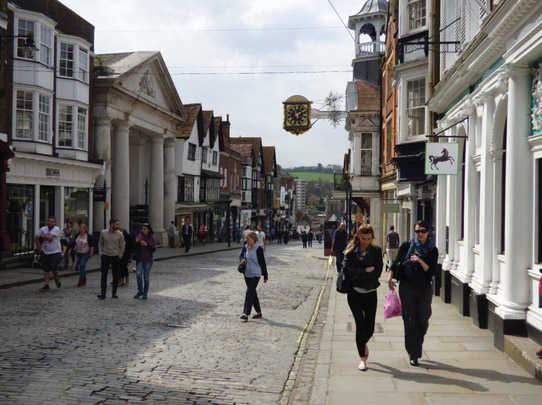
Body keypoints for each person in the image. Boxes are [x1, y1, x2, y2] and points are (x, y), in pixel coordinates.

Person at [387, 220, 438, 367]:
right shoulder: (406, 246)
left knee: (422, 320)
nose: (420, 234)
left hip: (424, 288)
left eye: (423, 231)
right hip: (407, 287)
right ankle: (413, 353)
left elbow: (431, 271)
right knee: (409, 320)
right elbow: (396, 263)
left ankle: (417, 345)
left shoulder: (432, 250)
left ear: (428, 232)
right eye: (417, 231)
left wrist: (420, 260)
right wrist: (390, 278)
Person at [343, 225, 383, 371]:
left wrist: (360, 272)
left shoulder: (377, 251)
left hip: (371, 293)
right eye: (363, 238)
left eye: (368, 238)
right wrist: (365, 270)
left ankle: (362, 342)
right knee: (360, 326)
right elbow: (348, 269)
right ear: (358, 237)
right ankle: (362, 359)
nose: (365, 241)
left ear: (372, 238)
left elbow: (377, 271)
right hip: (354, 294)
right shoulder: (351, 251)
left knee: (370, 328)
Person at [239, 232, 268, 322]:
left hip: (256, 273)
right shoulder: (245, 247)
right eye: (246, 238)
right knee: (252, 293)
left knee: (249, 292)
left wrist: (265, 275)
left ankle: (246, 313)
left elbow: (262, 263)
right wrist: (242, 259)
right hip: (247, 273)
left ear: (253, 239)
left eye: (248, 238)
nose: (246, 240)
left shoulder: (258, 249)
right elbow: (241, 256)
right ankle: (259, 312)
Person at [97, 218, 125, 300]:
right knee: (103, 275)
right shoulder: (103, 232)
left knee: (115, 275)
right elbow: (100, 243)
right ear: (111, 224)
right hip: (105, 256)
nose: (118, 226)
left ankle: (114, 293)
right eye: (117, 224)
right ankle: (103, 294)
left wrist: (120, 255)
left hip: (115, 256)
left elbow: (122, 245)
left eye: (118, 224)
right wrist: (100, 253)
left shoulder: (120, 234)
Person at [35, 217, 63, 291]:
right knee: (46, 269)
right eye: (49, 221)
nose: (50, 223)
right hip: (45, 251)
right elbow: (36, 237)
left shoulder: (56, 229)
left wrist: (43, 236)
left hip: (55, 251)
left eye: (52, 222)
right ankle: (46, 284)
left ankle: (56, 279)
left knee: (54, 267)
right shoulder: (43, 229)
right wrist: (39, 248)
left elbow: (50, 237)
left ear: (54, 223)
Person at [134, 223, 157, 300]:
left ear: (148, 230)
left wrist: (146, 244)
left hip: (148, 260)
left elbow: (153, 249)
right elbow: (134, 246)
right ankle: (140, 290)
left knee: (146, 277)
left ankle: (145, 293)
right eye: (142, 229)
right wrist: (137, 242)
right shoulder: (139, 235)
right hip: (140, 259)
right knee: (138, 274)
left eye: (144, 229)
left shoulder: (152, 237)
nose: (143, 230)